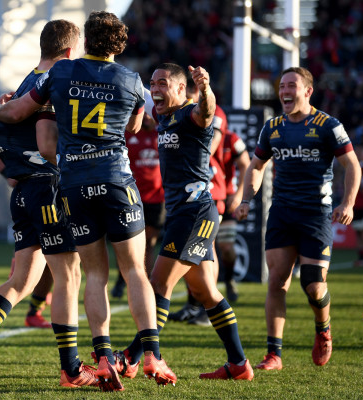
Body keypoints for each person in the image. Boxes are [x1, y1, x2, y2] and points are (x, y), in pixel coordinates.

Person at [0, 11, 176, 390]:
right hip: (116, 179)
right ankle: (152, 353)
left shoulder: (60, 74)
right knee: (135, 270)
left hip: (73, 184)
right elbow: (136, 125)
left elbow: (19, 111)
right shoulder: (129, 79)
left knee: (94, 275)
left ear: (86, 41)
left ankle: (104, 358)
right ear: (119, 46)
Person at [0, 20, 99, 389]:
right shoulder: (53, 83)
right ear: (68, 52)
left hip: (23, 193)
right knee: (69, 276)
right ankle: (72, 370)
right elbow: (46, 142)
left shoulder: (26, 84)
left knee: (22, 280)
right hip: (48, 187)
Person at [117, 63, 253, 381]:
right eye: (153, 83)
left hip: (195, 212)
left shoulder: (192, 113)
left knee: (159, 284)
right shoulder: (163, 118)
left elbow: (207, 113)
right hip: (183, 212)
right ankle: (239, 365)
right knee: (205, 291)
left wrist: (205, 88)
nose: (156, 89)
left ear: (181, 88)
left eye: (163, 83)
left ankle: (132, 357)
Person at [236, 66, 361, 370]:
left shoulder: (327, 125)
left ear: (307, 91)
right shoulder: (273, 127)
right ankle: (273, 355)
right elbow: (255, 166)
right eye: (282, 87)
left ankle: (323, 328)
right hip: (281, 213)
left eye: (291, 86)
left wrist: (348, 203)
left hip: (315, 215)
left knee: (313, 285)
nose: (284, 91)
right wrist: (245, 199)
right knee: (277, 282)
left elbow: (353, 165)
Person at [168, 79, 227, 324]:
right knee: (201, 259)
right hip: (186, 197)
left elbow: (211, 145)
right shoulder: (172, 114)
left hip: (205, 192)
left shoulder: (209, 110)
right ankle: (196, 305)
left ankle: (141, 352)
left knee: (206, 248)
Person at [0, 148, 54, 329]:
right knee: (66, 272)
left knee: (55, 264)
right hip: (38, 193)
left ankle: (34, 311)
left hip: (50, 190)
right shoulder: (15, 119)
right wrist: (11, 173)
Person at [112, 99, 165, 299]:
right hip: (131, 198)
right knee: (124, 243)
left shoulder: (163, 134)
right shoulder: (128, 134)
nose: (149, 117)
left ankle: (145, 280)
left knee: (148, 244)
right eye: (146, 112)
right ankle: (120, 280)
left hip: (156, 199)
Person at [217, 130, 250, 301]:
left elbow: (246, 163)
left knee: (227, 247)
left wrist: (238, 195)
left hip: (226, 199)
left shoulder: (232, 139)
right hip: (202, 197)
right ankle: (195, 299)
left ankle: (229, 280)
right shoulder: (194, 131)